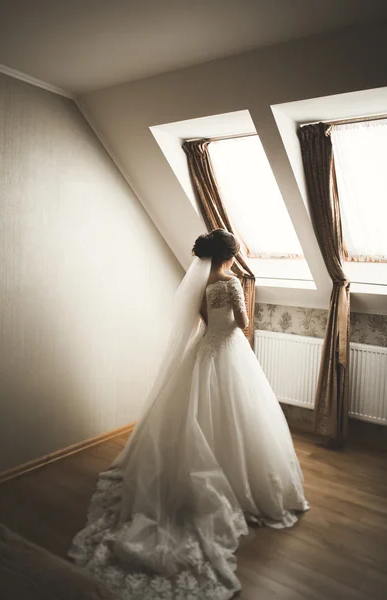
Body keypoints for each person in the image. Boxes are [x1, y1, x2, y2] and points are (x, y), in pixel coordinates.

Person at [69, 229, 309, 600]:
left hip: (204, 349)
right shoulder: (231, 283)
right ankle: (240, 484)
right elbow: (243, 324)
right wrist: (239, 304)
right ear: (230, 257)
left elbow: (202, 320)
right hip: (229, 351)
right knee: (237, 417)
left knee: (196, 414)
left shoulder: (202, 282)